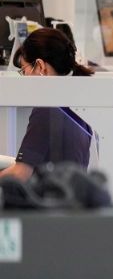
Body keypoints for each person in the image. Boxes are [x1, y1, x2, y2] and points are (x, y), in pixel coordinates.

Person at [0, 28, 94, 182]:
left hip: (49, 201)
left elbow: (20, 174)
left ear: (40, 66)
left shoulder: (47, 109)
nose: (24, 79)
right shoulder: (74, 105)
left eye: (24, 71)